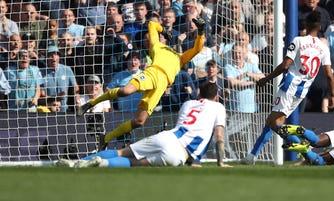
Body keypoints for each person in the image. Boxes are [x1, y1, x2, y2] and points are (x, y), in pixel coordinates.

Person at [77, 17, 206, 149]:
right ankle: (91, 103)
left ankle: (106, 138)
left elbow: (197, 48)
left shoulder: (181, 58)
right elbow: (151, 24)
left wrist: (201, 31)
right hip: (153, 73)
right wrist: (163, 30)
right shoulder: (158, 46)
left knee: (139, 121)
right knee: (125, 91)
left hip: (161, 86)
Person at [58, 82, 229, 168]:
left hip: (166, 137)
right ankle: (102, 163)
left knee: (120, 151)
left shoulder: (188, 104)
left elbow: (186, 129)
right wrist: (220, 162)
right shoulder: (218, 107)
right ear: (216, 97)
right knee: (132, 162)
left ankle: (77, 163)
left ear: (199, 93)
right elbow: (219, 136)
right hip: (177, 155)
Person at [244, 12, 334, 164]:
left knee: (275, 123)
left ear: (306, 25)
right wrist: (332, 95)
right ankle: (252, 156)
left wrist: (266, 79)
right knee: (271, 121)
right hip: (302, 91)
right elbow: (329, 75)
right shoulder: (323, 47)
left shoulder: (298, 41)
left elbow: (286, 65)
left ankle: (303, 145)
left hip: (289, 86)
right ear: (319, 27)